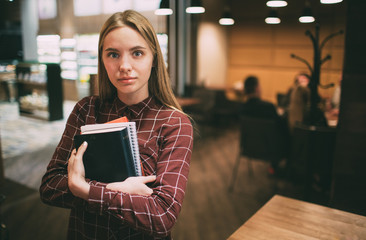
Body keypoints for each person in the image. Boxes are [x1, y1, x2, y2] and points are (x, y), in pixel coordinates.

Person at [39, 10, 193, 240]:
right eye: (113, 54)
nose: (124, 65)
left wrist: (85, 189)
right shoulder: (86, 110)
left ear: (154, 59)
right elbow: (50, 187)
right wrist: (118, 190)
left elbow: (163, 216)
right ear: (102, 59)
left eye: (137, 53)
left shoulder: (174, 123)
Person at [239, 75, 288, 174]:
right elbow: (281, 126)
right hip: (270, 149)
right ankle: (280, 169)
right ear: (257, 88)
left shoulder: (242, 108)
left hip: (247, 147)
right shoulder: (269, 107)